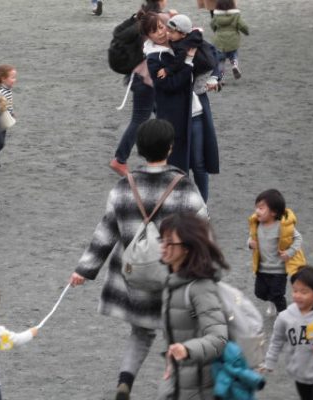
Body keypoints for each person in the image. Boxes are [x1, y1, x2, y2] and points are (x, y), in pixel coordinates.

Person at [69, 119, 207, 400]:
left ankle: (125, 383)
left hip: (136, 277)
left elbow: (106, 231)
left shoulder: (123, 186)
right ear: (170, 148)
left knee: (141, 335)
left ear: (139, 149)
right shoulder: (185, 188)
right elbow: (204, 233)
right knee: (181, 339)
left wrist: (84, 269)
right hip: (175, 279)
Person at [142, 11, 219, 203]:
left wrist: (215, 77)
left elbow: (214, 55)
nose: (160, 33)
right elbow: (171, 85)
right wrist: (187, 62)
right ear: (148, 36)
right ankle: (183, 207)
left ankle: (202, 207)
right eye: (154, 31)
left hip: (196, 112)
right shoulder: (153, 58)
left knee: (199, 164)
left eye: (162, 27)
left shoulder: (185, 39)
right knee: (179, 168)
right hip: (173, 118)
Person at [157, 213, 229, 399]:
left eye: (169, 242)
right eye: (161, 240)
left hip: (202, 388)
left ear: (187, 248)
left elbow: (219, 338)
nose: (163, 247)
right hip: (180, 382)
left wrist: (187, 350)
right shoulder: (173, 284)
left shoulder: (200, 288)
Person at [109, 0, 173, 177]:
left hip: (138, 75)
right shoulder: (160, 19)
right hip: (147, 78)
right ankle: (120, 159)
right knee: (140, 119)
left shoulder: (141, 15)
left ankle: (163, 154)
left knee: (162, 114)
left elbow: (118, 33)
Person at [264, 266, 313, 400]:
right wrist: (270, 361)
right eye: (295, 290)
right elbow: (277, 339)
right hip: (300, 373)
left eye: (304, 292)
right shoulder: (285, 317)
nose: (297, 295)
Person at [248, 189, 306, 315]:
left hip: (279, 270)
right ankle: (272, 301)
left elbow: (298, 238)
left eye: (261, 208)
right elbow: (251, 237)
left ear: (273, 212)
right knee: (260, 293)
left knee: (278, 294)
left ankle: (283, 315)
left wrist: (289, 253)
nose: (257, 211)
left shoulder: (283, 227)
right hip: (262, 269)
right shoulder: (257, 225)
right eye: (256, 207)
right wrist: (250, 243)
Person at [159, 14, 219, 94]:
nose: (168, 34)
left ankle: (211, 86)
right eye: (168, 31)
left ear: (183, 34)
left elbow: (178, 62)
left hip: (204, 68)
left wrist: (167, 70)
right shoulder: (189, 37)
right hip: (204, 62)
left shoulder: (183, 47)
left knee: (197, 91)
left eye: (172, 32)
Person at [210, 0, 249, 81]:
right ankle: (234, 65)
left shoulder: (216, 16)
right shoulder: (236, 15)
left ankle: (220, 77)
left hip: (219, 41)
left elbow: (212, 25)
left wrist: (215, 30)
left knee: (220, 61)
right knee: (233, 55)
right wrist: (246, 32)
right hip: (233, 41)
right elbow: (243, 26)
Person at [0, 64, 17, 153]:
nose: (15, 80)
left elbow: (9, 104)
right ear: (3, 79)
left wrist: (12, 113)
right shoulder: (0, 91)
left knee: (0, 142)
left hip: (5, 119)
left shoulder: (7, 90)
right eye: (12, 78)